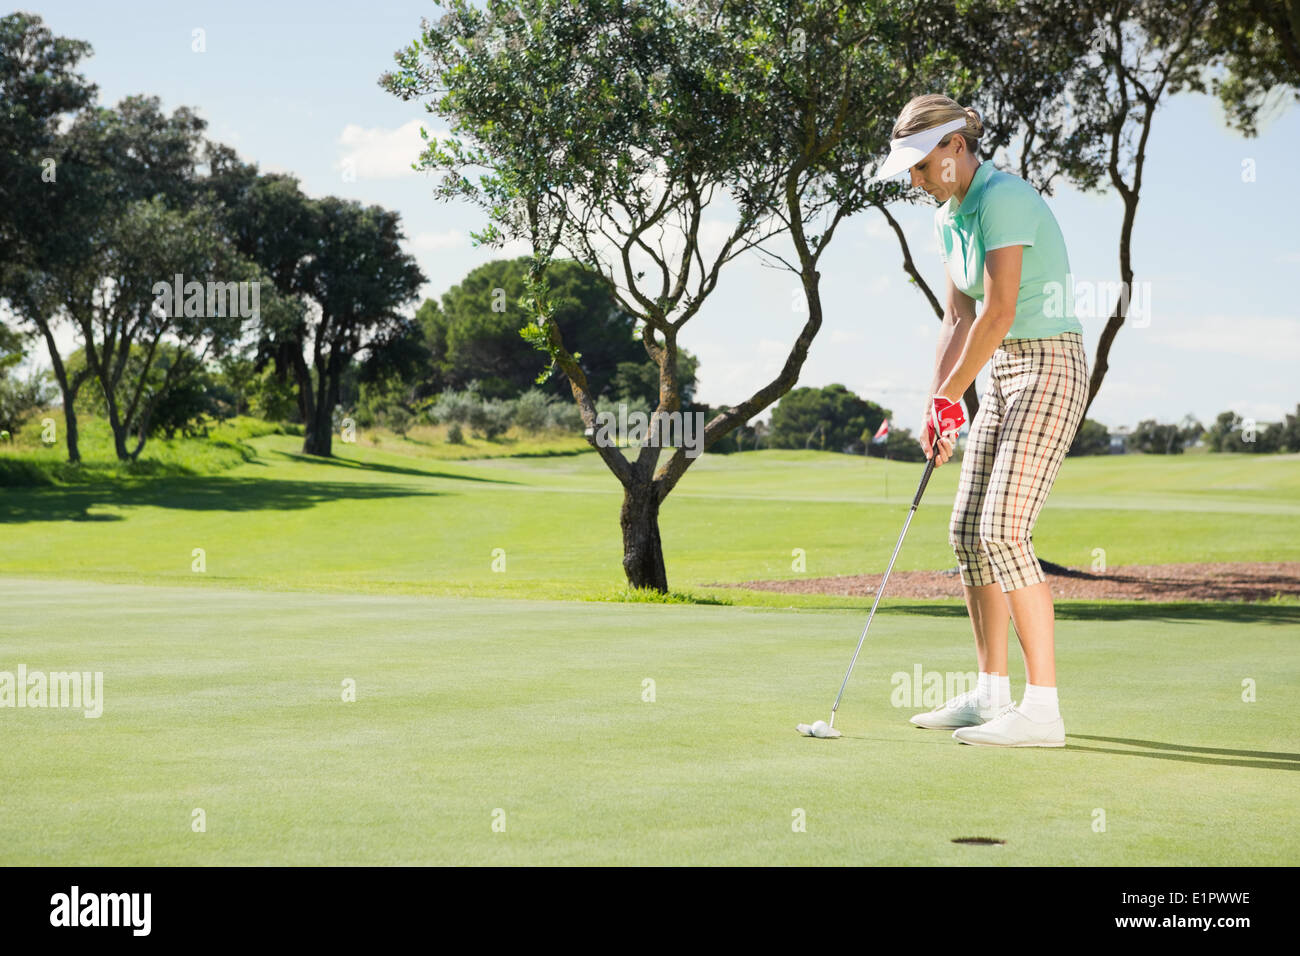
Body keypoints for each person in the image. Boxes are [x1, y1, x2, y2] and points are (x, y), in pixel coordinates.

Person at [872, 94, 1088, 747]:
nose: (912, 178)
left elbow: (998, 312)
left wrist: (952, 396)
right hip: (994, 372)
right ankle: (991, 692)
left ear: (955, 147)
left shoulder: (1006, 199)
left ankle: (1043, 710)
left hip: (1049, 366)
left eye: (919, 163)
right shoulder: (948, 215)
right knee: (967, 529)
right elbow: (957, 320)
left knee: (1004, 529)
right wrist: (939, 401)